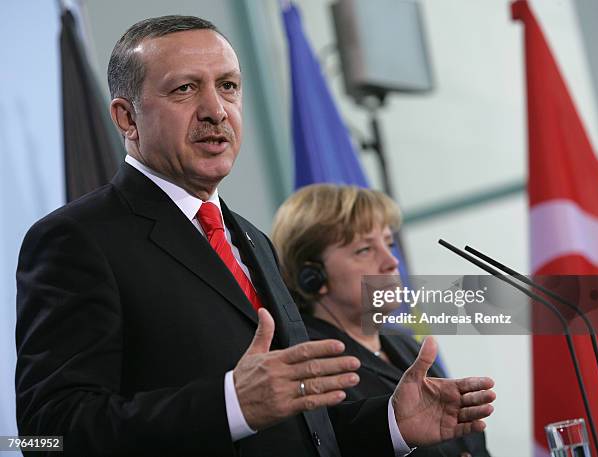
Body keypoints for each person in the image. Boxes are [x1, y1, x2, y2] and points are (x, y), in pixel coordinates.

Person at [15, 15, 495, 456]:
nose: (215, 110)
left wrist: (393, 424)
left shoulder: (252, 240)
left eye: (228, 86)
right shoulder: (77, 239)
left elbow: (300, 431)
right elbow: (48, 434)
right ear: (126, 118)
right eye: (184, 89)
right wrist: (229, 404)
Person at [271, 184, 492, 457]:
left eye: (389, 244)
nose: (391, 261)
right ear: (312, 276)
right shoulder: (308, 364)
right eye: (364, 249)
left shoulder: (407, 346)